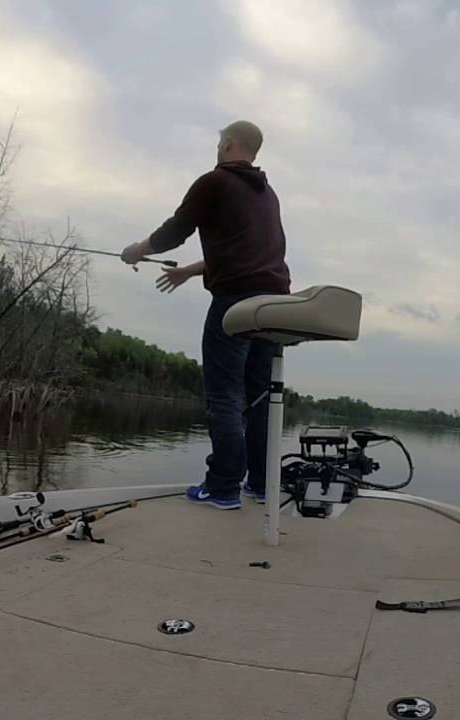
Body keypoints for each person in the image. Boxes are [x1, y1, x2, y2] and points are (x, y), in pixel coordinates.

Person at [121, 120, 291, 510]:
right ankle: (262, 485)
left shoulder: (214, 181)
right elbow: (249, 255)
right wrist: (189, 271)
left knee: (225, 393)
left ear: (229, 144)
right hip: (274, 306)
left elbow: (175, 231)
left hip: (235, 302)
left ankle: (223, 486)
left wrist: (138, 250)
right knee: (262, 397)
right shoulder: (268, 195)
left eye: (219, 143)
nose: (217, 149)